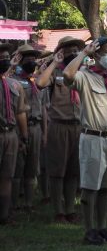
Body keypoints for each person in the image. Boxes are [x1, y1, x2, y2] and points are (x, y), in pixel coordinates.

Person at [63, 37, 107, 245]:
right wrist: (84, 53)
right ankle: (89, 229)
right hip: (93, 137)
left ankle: (102, 227)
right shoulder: (84, 76)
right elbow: (67, 75)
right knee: (91, 186)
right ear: (96, 54)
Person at [36, 36, 86, 223]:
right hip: (58, 125)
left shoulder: (81, 72)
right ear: (60, 52)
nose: (72, 53)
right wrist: (54, 63)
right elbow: (40, 83)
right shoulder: (55, 72)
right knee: (58, 171)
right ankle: (58, 210)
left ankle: (70, 209)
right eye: (68, 50)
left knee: (73, 171)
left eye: (76, 50)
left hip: (78, 126)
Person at [10, 44, 46, 214]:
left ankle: (29, 204)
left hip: (36, 126)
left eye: (33, 58)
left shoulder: (35, 80)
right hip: (19, 128)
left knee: (32, 168)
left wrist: (44, 131)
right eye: (27, 58)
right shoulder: (14, 80)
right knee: (17, 168)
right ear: (20, 60)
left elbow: (43, 107)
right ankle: (14, 203)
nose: (31, 61)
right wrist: (12, 65)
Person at [0, 43, 29, 225]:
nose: (4, 61)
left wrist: (24, 137)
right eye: (1, 58)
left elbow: (20, 113)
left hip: (10, 134)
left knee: (7, 176)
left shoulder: (14, 85)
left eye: (6, 57)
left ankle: (4, 214)